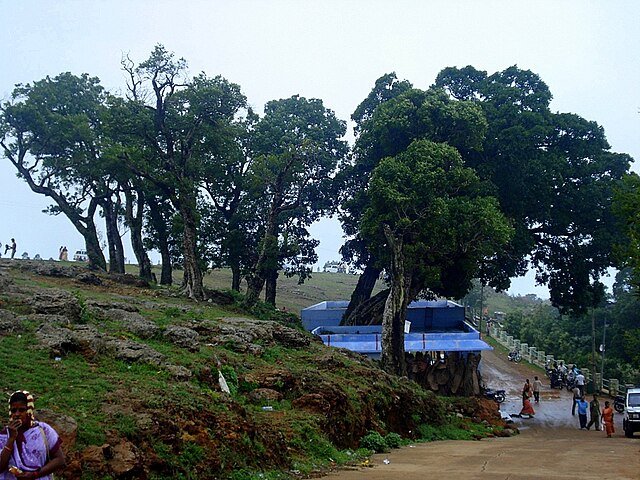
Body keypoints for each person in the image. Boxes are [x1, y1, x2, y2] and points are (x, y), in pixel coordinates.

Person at [0, 391, 66, 479]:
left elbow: (60, 460)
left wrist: (35, 474)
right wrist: (11, 439)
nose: (17, 414)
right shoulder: (5, 435)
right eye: (13, 410)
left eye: (22, 410)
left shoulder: (43, 430)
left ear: (29, 410)